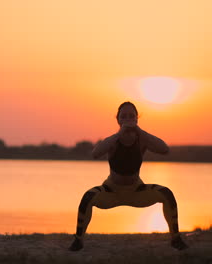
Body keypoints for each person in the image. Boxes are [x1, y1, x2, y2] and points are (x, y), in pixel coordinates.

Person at [69, 101, 188, 251]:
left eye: (131, 116)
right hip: (112, 191)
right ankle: (78, 240)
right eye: (124, 116)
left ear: (137, 119)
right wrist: (120, 133)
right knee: (88, 197)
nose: (128, 119)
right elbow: (95, 153)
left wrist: (138, 130)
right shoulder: (113, 140)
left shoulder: (142, 139)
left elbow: (164, 149)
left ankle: (175, 238)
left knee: (166, 193)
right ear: (118, 120)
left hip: (136, 191)